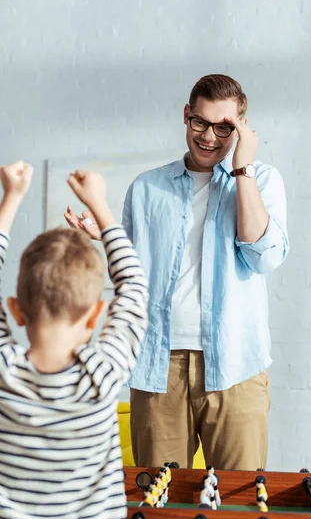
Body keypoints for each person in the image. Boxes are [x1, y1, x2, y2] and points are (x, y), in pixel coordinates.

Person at [65, 74, 289, 471]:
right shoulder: (147, 187)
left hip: (236, 364)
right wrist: (102, 238)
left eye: (224, 127)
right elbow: (131, 276)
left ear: (240, 128)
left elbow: (263, 257)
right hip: (157, 366)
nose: (209, 137)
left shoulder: (261, 180)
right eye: (200, 122)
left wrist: (242, 170)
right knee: (158, 504)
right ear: (187, 115)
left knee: (237, 506)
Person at [0, 161, 147, 519]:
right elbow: (133, 286)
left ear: (15, 309)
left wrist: (10, 198)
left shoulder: (3, 373)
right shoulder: (104, 375)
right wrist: (100, 205)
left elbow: (131, 289)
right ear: (97, 314)